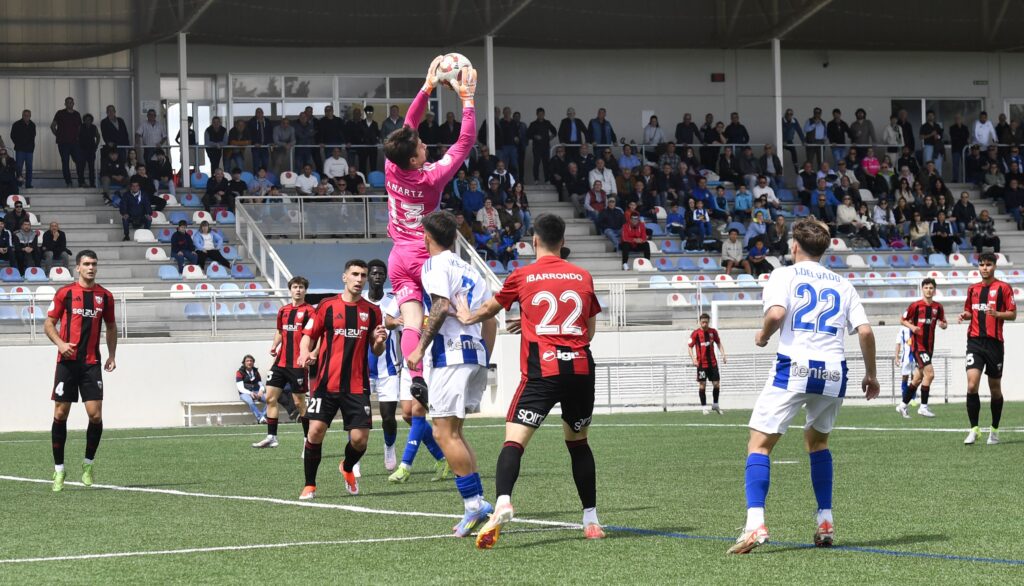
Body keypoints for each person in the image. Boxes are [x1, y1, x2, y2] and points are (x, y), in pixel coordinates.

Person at [452, 213, 605, 548]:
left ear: (534, 240)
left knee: (514, 442)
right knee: (578, 444)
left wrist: (468, 315)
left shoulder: (522, 275)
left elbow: (491, 308)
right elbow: (588, 331)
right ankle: (591, 520)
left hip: (542, 371)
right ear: (563, 241)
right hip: (580, 370)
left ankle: (503, 501)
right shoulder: (583, 276)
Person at [727, 219, 878, 554]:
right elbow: (866, 332)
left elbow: (776, 313)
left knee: (759, 445)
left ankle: (755, 524)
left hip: (794, 368)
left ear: (794, 245)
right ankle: (825, 520)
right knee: (818, 442)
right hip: (834, 372)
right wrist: (871, 375)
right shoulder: (843, 284)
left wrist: (763, 335)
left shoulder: (783, 275)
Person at [382, 57, 477, 409]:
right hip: (425, 257)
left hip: (398, 256)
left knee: (410, 321)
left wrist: (427, 87)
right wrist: (467, 100)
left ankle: (416, 377)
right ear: (414, 159)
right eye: (421, 146)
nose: (424, 145)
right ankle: (455, 378)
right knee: (447, 312)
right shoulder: (432, 177)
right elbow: (465, 142)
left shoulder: (391, 164)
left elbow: (409, 124)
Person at [400, 212, 497, 537]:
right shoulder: (471, 268)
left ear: (427, 237)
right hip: (475, 354)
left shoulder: (434, 265)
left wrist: (419, 349)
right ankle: (478, 501)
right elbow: (490, 318)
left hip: (451, 356)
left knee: (443, 434)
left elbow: (440, 306)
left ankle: (473, 503)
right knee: (455, 432)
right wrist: (484, 356)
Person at [295, 260, 385, 499]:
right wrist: (304, 353)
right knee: (315, 431)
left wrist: (379, 341)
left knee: (360, 440)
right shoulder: (327, 306)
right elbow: (308, 335)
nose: (359, 279)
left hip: (357, 385)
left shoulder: (372, 311)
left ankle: (347, 467)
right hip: (326, 384)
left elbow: (377, 350)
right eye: (355, 274)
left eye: (363, 275)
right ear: (345, 277)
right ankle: (310, 485)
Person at [44, 250, 117, 492]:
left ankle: (88, 464)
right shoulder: (65, 293)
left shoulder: (105, 296)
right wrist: (60, 344)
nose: (91, 267)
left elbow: (111, 326)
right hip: (67, 362)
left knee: (95, 415)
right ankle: (59, 470)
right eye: (86, 264)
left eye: (94, 263)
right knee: (60, 413)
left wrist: (112, 355)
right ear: (78, 267)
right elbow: (48, 323)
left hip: (91, 363)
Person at [959, 252, 1016, 445]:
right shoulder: (972, 289)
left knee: (995, 389)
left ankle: (994, 429)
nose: (985, 268)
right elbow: (969, 311)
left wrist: (997, 313)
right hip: (974, 342)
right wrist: (965, 315)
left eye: (988, 264)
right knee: (971, 385)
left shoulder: (1004, 288)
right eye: (982, 264)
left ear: (995, 266)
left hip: (994, 344)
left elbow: (1013, 314)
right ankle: (974, 429)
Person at [252, 276, 313, 450]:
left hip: (298, 364)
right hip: (280, 362)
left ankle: (308, 440)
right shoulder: (283, 310)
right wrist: (274, 345)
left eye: (301, 287)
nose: (298, 290)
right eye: (295, 287)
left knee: (299, 403)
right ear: (290, 289)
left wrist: (309, 354)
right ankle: (272, 437)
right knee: (270, 397)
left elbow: (313, 335)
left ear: (305, 290)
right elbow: (280, 331)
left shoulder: (310, 311)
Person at [362, 261, 404, 472]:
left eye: (381, 273)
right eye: (373, 273)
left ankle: (389, 447)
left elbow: (404, 330)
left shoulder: (394, 302)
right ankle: (355, 459)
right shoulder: (359, 301)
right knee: (360, 417)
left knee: (388, 417)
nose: (377, 276)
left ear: (385, 277)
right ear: (368, 276)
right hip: (361, 368)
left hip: (389, 368)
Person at [897, 278, 946, 419]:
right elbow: (902, 320)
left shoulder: (938, 307)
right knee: (930, 374)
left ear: (934, 290)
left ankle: (902, 405)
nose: (928, 290)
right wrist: (912, 327)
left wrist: (943, 325)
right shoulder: (916, 306)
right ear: (922, 289)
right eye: (926, 287)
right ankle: (923, 407)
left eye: (931, 288)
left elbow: (944, 322)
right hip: (918, 346)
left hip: (929, 347)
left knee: (917, 379)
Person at [689, 313, 727, 415]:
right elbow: (689, 347)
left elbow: (718, 343)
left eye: (706, 322)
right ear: (699, 322)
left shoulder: (713, 332)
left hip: (712, 363)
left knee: (716, 384)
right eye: (702, 322)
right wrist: (693, 359)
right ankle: (704, 407)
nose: (704, 324)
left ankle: (715, 404)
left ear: (708, 322)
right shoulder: (696, 333)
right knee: (702, 385)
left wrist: (723, 354)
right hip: (701, 365)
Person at [51, 97, 84, 187]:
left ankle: (81, 181)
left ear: (73, 103)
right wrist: (58, 135)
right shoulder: (60, 113)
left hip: (75, 143)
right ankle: (68, 182)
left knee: (79, 161)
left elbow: (79, 127)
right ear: (65, 104)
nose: (69, 103)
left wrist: (78, 137)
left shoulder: (77, 114)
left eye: (71, 102)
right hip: (63, 143)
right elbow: (53, 126)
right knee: (65, 162)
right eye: (68, 102)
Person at [527, 108, 557, 182]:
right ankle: (536, 179)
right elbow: (528, 135)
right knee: (536, 163)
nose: (541, 115)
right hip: (536, 147)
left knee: (546, 163)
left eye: (542, 114)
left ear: (544, 114)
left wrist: (550, 137)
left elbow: (554, 131)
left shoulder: (547, 123)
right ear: (537, 114)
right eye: (539, 114)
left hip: (546, 146)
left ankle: (547, 179)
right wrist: (534, 136)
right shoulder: (533, 124)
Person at [235, 355, 267, 424]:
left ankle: (263, 417)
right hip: (244, 393)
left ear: (253, 362)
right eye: (247, 361)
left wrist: (261, 390)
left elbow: (260, 384)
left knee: (270, 400)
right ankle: (260, 418)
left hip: (256, 391)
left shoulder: (256, 371)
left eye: (251, 361)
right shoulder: (239, 372)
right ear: (244, 363)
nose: (249, 362)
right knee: (250, 402)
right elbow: (240, 388)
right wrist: (250, 393)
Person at [894, 325, 918, 412]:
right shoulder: (902, 329)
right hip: (906, 358)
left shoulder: (916, 326)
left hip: (915, 357)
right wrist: (896, 357)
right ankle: (904, 399)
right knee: (905, 377)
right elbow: (898, 343)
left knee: (915, 378)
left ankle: (913, 398)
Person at [11, 109, 36, 189]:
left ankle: (28, 184)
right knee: (19, 168)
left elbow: (33, 136)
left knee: (29, 168)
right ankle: (19, 184)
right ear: (22, 115)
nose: (26, 117)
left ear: (30, 116)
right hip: (20, 150)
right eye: (25, 115)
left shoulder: (32, 125)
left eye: (28, 115)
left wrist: (31, 147)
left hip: (29, 150)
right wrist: (18, 144)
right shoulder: (16, 124)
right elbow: (12, 135)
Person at [78, 114, 101, 188]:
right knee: (81, 167)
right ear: (84, 120)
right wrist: (78, 146)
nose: (88, 121)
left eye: (89, 119)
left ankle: (92, 183)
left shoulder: (94, 127)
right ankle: (81, 182)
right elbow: (76, 136)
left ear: (91, 120)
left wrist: (96, 145)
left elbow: (98, 136)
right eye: (86, 119)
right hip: (82, 150)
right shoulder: (80, 127)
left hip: (91, 150)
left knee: (91, 168)